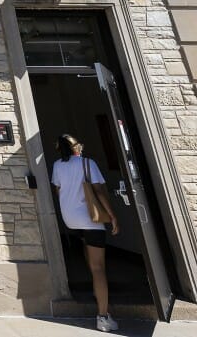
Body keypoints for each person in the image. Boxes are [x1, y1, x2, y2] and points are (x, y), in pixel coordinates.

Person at [52, 134, 120, 333]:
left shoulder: (57, 165)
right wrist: (112, 215)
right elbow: (98, 191)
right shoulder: (87, 163)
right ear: (76, 147)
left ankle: (96, 291)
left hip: (70, 219)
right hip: (90, 219)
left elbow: (58, 190)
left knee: (89, 256)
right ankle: (103, 316)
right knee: (99, 267)